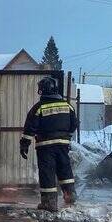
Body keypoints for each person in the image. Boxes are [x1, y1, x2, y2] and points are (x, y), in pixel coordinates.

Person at [20, 76, 79, 211]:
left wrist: (24, 145)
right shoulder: (67, 105)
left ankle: (49, 203)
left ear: (43, 90)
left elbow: (30, 128)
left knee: (47, 172)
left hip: (45, 146)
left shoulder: (39, 107)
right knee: (64, 168)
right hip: (63, 144)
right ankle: (70, 195)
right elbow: (74, 124)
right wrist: (66, 135)